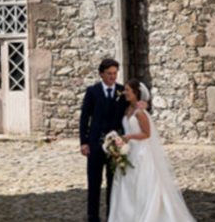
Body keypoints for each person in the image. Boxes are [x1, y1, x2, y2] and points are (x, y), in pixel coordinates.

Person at [108, 79, 196, 222]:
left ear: (136, 92)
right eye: (125, 90)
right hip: (128, 152)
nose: (125, 93)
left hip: (140, 152)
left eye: (128, 90)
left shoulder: (140, 112)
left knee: (142, 185)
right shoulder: (127, 108)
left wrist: (129, 137)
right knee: (128, 186)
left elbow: (146, 133)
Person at [80, 58, 145, 222]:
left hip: (116, 145)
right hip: (95, 145)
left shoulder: (122, 91)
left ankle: (112, 216)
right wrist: (84, 142)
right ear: (101, 74)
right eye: (109, 73)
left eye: (115, 73)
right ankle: (93, 217)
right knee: (94, 183)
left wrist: (146, 105)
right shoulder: (92, 91)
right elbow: (84, 118)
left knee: (114, 184)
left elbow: (136, 102)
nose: (112, 77)